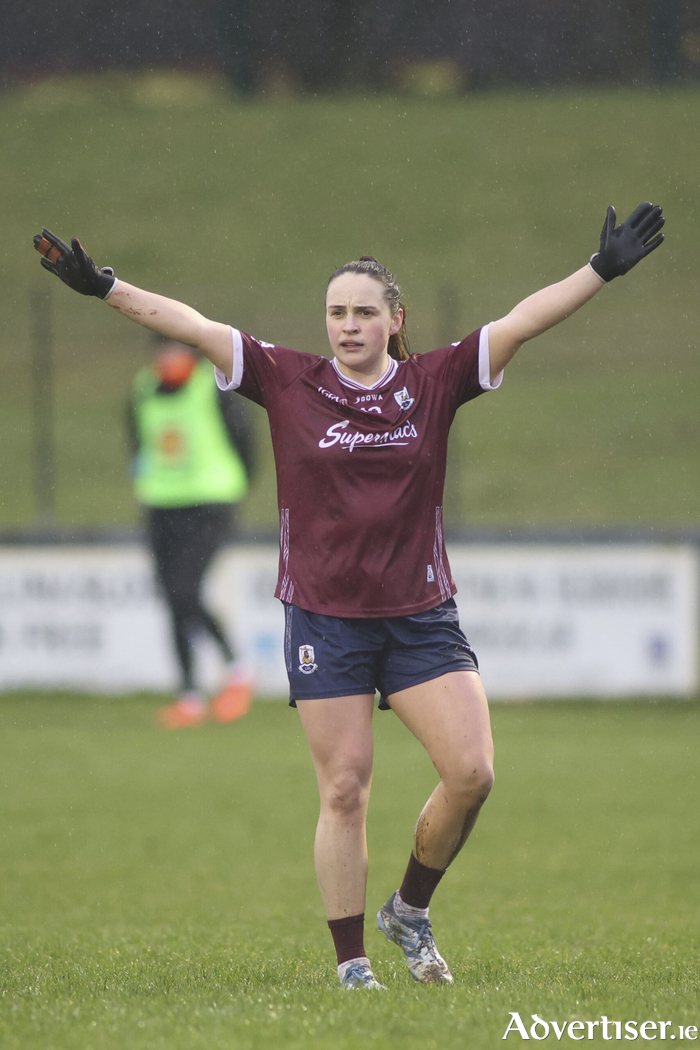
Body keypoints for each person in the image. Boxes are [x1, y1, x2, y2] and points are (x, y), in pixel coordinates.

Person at [33, 203, 664, 988]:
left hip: (421, 614)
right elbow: (192, 325)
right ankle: (352, 963)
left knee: (472, 773)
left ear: (395, 319)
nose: (348, 325)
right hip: (324, 618)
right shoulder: (286, 378)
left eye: (365, 312)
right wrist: (105, 288)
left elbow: (521, 321)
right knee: (344, 788)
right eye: (336, 312)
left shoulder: (434, 381)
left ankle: (408, 909)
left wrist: (599, 270)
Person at [126, 336, 255, 729]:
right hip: (161, 503)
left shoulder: (211, 387)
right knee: (172, 596)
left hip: (208, 504)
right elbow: (137, 442)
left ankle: (236, 671)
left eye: (176, 352)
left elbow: (243, 440)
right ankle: (190, 695)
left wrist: (240, 483)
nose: (169, 360)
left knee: (185, 590)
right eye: (162, 352)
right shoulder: (143, 389)